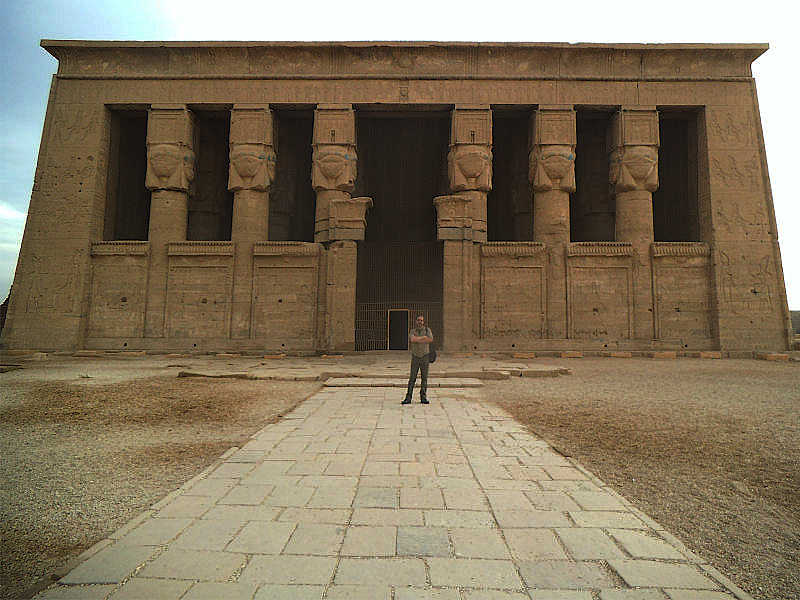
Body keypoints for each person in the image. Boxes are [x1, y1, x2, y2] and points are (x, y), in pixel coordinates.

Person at [402, 314, 433, 405]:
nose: (420, 322)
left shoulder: (427, 330)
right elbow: (412, 339)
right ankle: (408, 397)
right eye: (418, 320)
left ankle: (423, 397)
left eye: (421, 320)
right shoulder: (412, 331)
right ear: (416, 321)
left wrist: (418, 339)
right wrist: (423, 338)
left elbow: (430, 339)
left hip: (425, 356)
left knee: (424, 378)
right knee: (412, 378)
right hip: (415, 357)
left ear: (423, 322)